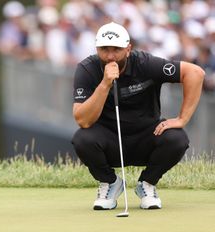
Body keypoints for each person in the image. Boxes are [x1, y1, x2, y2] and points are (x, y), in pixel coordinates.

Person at [71, 22, 204, 210]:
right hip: (109, 140)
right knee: (82, 139)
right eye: (104, 49)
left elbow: (195, 73)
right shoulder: (87, 69)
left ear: (128, 48)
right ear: (96, 48)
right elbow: (82, 120)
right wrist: (104, 84)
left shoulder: (146, 64)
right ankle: (110, 183)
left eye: (116, 49)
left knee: (177, 138)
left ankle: (147, 184)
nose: (110, 56)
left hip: (146, 137)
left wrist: (182, 118)